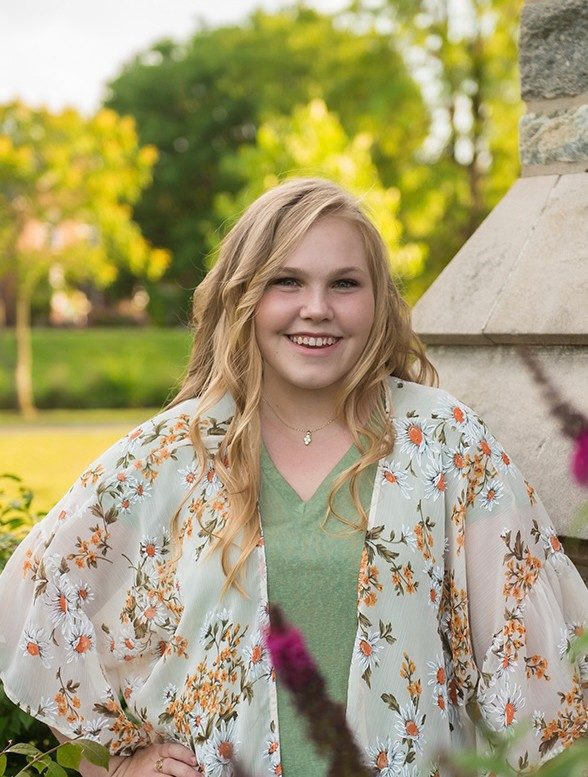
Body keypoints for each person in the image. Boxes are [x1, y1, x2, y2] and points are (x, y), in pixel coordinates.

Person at [0, 178, 586, 777]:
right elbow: (36, 592)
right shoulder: (180, 450)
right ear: (244, 295)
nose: (317, 308)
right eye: (287, 281)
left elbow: (539, 659)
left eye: (344, 283)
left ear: (378, 300)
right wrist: (118, 764)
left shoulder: (446, 443)